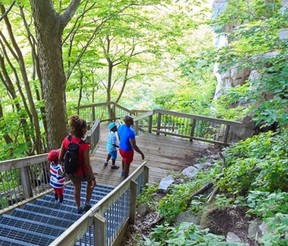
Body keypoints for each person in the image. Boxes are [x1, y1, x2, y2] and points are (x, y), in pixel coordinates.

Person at [59, 115, 96, 214]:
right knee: (91, 184)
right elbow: (87, 164)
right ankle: (87, 203)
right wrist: (92, 177)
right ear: (82, 130)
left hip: (71, 171)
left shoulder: (66, 140)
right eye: (85, 128)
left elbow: (60, 157)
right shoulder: (84, 145)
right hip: (82, 171)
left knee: (77, 187)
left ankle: (78, 207)